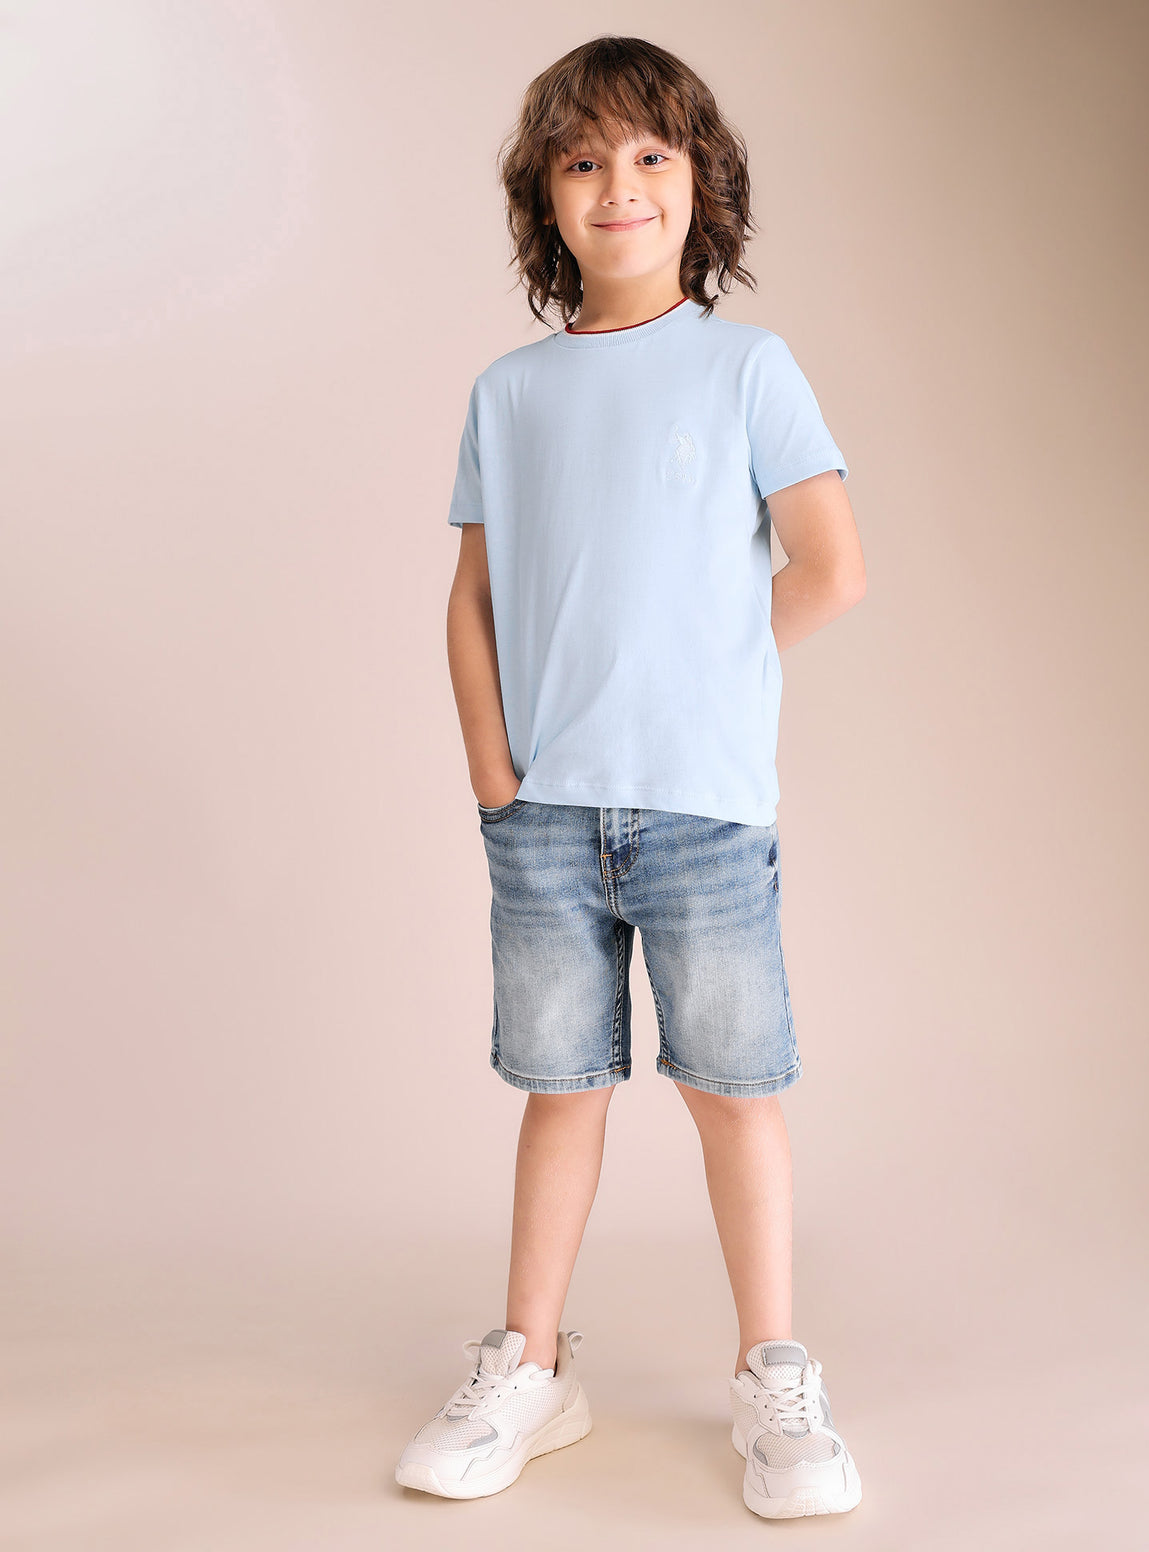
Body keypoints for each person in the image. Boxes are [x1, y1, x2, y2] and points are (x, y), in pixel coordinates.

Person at [396, 34, 866, 1519]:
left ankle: (774, 1375)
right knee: (560, 1088)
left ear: (699, 182)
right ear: (545, 195)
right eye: (585, 159)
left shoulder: (747, 367)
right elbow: (472, 601)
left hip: (705, 813)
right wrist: (496, 777)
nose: (620, 184)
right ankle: (531, 1364)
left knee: (733, 1090)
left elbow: (831, 566)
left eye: (652, 155)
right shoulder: (510, 392)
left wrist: (709, 678)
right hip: (544, 816)